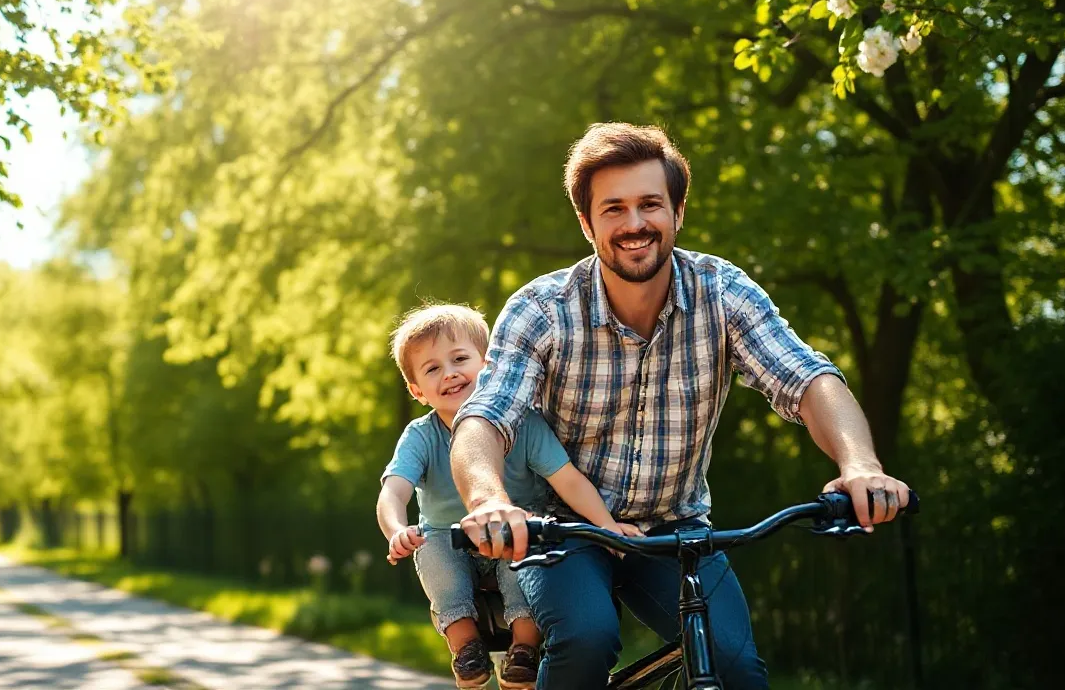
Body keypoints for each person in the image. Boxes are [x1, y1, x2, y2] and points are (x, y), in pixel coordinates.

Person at [449, 123, 913, 689]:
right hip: (561, 533)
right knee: (587, 639)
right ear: (586, 222)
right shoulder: (543, 308)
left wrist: (860, 465)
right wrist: (490, 499)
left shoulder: (721, 291)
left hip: (677, 532)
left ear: (677, 212)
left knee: (736, 667)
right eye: (614, 208)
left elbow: (808, 379)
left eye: (650, 204)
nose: (635, 223)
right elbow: (486, 418)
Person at [376, 303, 642, 689]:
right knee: (431, 550)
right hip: (449, 540)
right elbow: (393, 491)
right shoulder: (421, 436)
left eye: (459, 359)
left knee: (526, 548)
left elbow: (567, 479)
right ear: (417, 390)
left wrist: (607, 525)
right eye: (433, 368)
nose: (449, 373)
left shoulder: (524, 423)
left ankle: (523, 651)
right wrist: (397, 529)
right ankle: (466, 648)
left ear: (488, 366)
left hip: (512, 534)